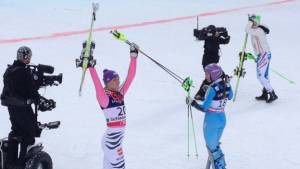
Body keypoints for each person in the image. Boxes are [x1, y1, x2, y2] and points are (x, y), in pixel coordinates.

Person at [87, 42, 138, 169]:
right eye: (115, 79)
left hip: (116, 141)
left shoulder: (120, 94)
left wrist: (133, 57)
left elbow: (130, 77)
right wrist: (91, 67)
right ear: (108, 82)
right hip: (112, 142)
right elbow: (97, 85)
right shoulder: (104, 98)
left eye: (118, 79)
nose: (119, 81)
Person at [1, 46, 41, 168]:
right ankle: (21, 165)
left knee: (16, 131)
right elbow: (32, 92)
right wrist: (39, 98)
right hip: (23, 107)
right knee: (28, 135)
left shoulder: (9, 70)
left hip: (11, 106)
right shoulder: (24, 72)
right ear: (26, 57)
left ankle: (10, 163)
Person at [186, 64, 233, 169]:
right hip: (222, 118)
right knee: (215, 147)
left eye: (207, 74)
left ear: (214, 74)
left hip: (211, 121)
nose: (206, 76)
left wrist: (192, 103)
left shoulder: (212, 89)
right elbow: (230, 96)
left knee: (213, 150)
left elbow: (204, 108)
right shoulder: (226, 83)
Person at [245, 14, 278, 103]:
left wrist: (250, 21)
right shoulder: (255, 30)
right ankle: (265, 93)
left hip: (264, 55)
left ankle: (272, 93)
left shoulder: (259, 30)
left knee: (261, 76)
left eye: (253, 22)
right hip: (262, 55)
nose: (252, 24)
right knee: (264, 76)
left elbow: (247, 30)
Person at [194, 25, 230, 101]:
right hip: (207, 63)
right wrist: (214, 35)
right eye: (214, 32)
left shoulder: (216, 38)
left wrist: (225, 34)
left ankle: (221, 91)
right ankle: (200, 95)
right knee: (210, 79)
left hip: (213, 64)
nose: (216, 33)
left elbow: (226, 41)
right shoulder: (209, 38)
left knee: (219, 76)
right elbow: (201, 37)